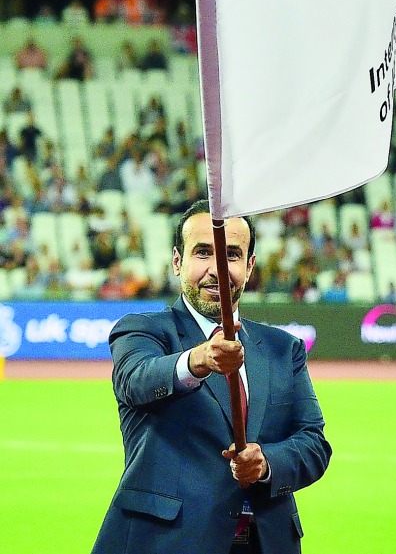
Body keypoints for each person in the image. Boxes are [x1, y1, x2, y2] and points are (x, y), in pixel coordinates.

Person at [93, 200, 331, 554]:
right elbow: (136, 380)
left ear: (249, 267)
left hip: (267, 542)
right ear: (178, 262)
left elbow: (314, 444)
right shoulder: (143, 330)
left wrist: (267, 463)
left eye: (231, 255)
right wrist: (198, 360)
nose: (217, 269)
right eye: (203, 252)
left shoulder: (284, 349)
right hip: (168, 542)